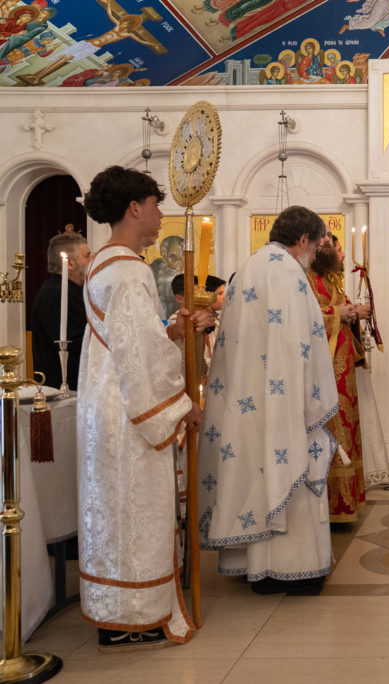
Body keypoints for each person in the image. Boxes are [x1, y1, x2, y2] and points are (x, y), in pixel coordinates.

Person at [78, 165, 212, 649]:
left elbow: (131, 339)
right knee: (136, 513)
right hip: (133, 413)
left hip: (109, 405)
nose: (161, 216)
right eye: (156, 206)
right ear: (135, 208)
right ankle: (136, 614)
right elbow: (141, 358)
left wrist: (173, 331)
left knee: (114, 514)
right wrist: (181, 408)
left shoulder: (101, 263)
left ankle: (114, 609)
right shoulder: (129, 270)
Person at [198, 205, 343, 596]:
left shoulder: (250, 266)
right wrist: (309, 403)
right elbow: (300, 347)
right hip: (282, 404)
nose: (314, 257)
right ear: (303, 241)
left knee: (253, 471)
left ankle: (256, 569)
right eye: (315, 248)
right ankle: (292, 569)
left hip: (246, 400)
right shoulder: (287, 273)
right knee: (289, 467)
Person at [308, 233, 372, 522]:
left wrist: (353, 312)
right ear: (323, 250)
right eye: (338, 249)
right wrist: (341, 312)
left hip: (342, 366)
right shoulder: (307, 279)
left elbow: (340, 311)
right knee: (333, 425)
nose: (343, 255)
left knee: (348, 425)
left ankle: (348, 499)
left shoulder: (331, 279)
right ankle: (332, 505)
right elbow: (303, 317)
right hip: (324, 368)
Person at [30, 231, 91, 390]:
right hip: (64, 389)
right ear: (69, 263)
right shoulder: (56, 294)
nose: (92, 261)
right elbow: (79, 344)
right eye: (87, 256)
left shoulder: (73, 291)